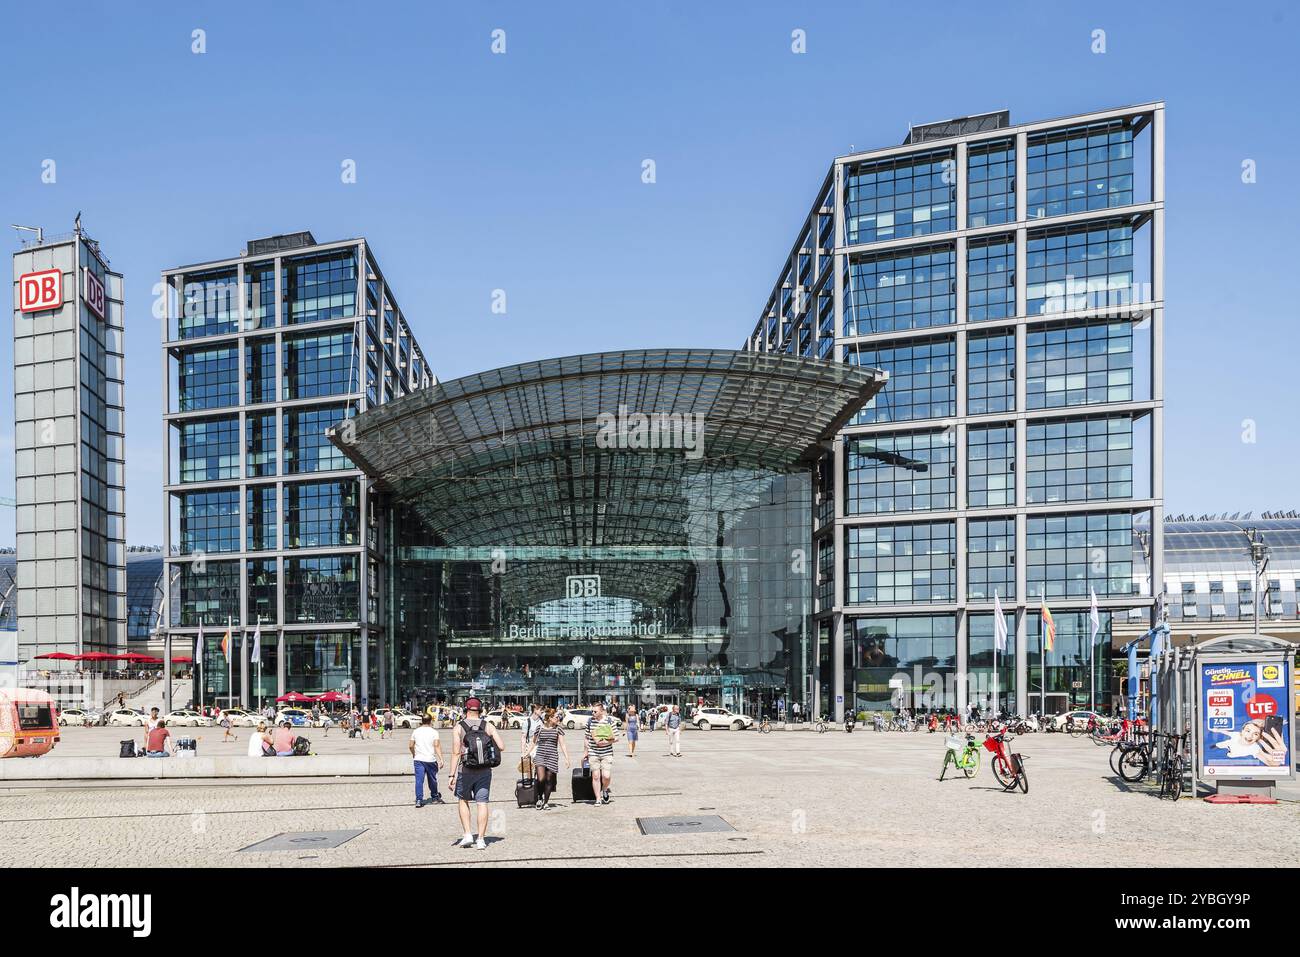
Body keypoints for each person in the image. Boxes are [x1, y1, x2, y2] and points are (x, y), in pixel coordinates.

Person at [448, 697, 504, 850]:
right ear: (480, 710)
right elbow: (502, 746)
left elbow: (455, 753)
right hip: (484, 771)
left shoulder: (459, 727)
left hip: (465, 771)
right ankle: (480, 839)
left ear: (466, 709)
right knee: (482, 803)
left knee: (463, 800)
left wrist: (451, 775)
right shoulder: (488, 726)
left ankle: (467, 835)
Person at [530, 708, 570, 809]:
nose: (558, 718)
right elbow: (533, 742)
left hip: (552, 756)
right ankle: (539, 797)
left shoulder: (558, 729)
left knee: (549, 780)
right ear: (550, 718)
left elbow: (563, 745)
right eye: (556, 717)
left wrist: (567, 758)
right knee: (541, 778)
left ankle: (546, 802)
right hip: (540, 755)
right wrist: (526, 753)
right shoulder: (539, 728)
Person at [582, 701, 619, 804]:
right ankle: (598, 798)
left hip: (607, 752)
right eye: (592, 711)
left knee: (606, 776)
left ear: (602, 711)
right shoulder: (590, 721)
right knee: (596, 776)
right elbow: (586, 737)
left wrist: (604, 742)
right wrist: (586, 750)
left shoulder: (609, 721)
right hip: (593, 752)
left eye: (595, 711)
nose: (593, 713)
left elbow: (616, 738)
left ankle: (605, 789)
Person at [409, 714, 445, 807]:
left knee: (419, 780)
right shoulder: (434, 732)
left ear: (422, 721)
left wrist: (414, 754)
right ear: (430, 721)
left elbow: (411, 745)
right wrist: (441, 759)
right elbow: (436, 746)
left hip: (418, 759)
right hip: (430, 760)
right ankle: (434, 797)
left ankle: (419, 800)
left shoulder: (415, 731)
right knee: (432, 779)